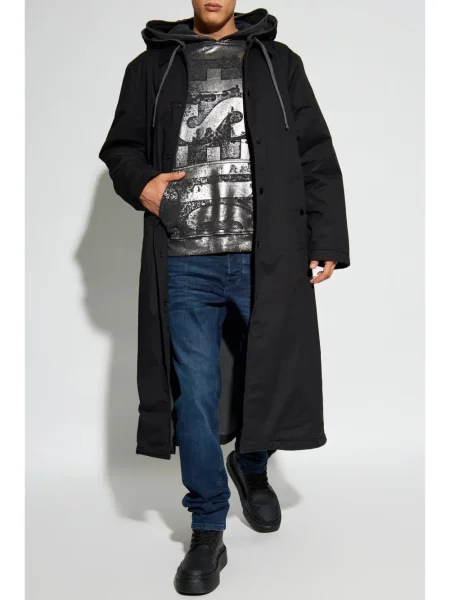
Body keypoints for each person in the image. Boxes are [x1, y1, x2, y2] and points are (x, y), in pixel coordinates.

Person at [99, 1, 350, 595]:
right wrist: (143, 185)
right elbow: (120, 149)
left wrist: (327, 238)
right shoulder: (150, 66)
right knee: (196, 394)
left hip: (267, 255)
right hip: (184, 260)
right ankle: (208, 526)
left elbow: (315, 151)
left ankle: (251, 466)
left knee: (268, 372)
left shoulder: (278, 62)